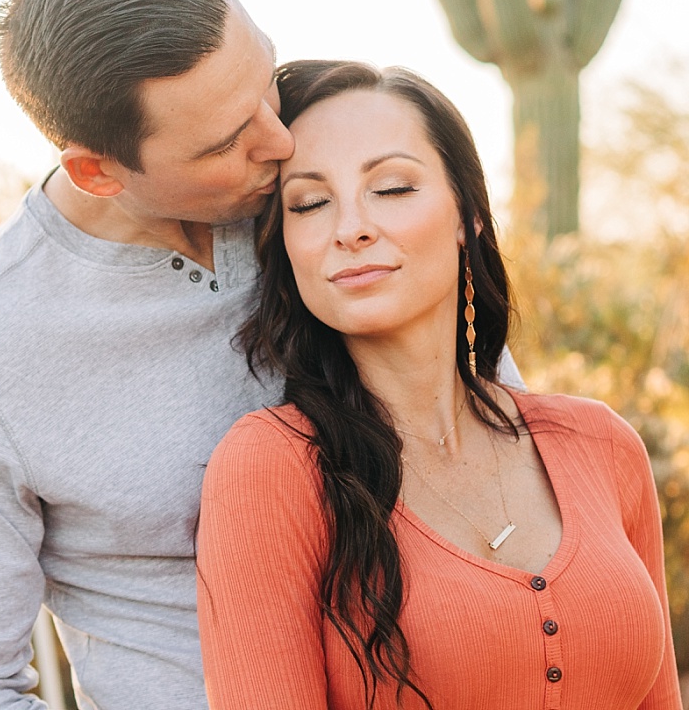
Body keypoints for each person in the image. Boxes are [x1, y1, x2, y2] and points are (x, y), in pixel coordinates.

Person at [0, 0, 522, 710]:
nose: (280, 140)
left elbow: (496, 431)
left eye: (264, 83)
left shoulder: (325, 190)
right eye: (227, 141)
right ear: (98, 169)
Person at [195, 60, 682, 709]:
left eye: (392, 188)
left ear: (466, 216)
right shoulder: (271, 469)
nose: (351, 228)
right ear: (286, 247)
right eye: (310, 203)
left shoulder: (603, 445)